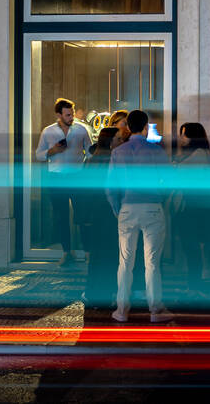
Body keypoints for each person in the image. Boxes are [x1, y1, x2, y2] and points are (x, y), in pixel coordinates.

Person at [106, 109, 173, 323]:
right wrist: (161, 198)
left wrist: (118, 208)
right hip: (153, 208)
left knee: (125, 261)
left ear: (128, 127)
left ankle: (122, 309)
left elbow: (110, 186)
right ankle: (155, 309)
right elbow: (169, 180)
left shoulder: (118, 152)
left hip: (127, 209)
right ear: (145, 127)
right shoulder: (156, 151)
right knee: (152, 262)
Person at [35, 98, 92, 266]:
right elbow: (39, 155)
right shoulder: (48, 132)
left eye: (72, 114)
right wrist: (53, 151)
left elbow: (89, 153)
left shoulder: (81, 130)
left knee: (83, 215)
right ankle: (67, 252)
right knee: (61, 216)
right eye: (67, 114)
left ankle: (88, 253)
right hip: (56, 178)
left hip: (77, 177)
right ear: (59, 114)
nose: (71, 117)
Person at [78, 127, 120, 309]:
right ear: (110, 142)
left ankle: (94, 293)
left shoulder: (92, 160)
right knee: (110, 254)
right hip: (108, 212)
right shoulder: (111, 160)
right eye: (118, 138)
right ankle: (106, 294)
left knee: (97, 255)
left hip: (94, 214)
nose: (120, 141)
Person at [174, 123, 210, 293]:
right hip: (192, 206)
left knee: (191, 247)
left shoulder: (199, 154)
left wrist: (175, 164)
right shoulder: (197, 154)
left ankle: (194, 285)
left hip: (192, 208)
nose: (181, 138)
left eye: (184, 135)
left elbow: (179, 171)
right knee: (192, 247)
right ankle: (193, 284)